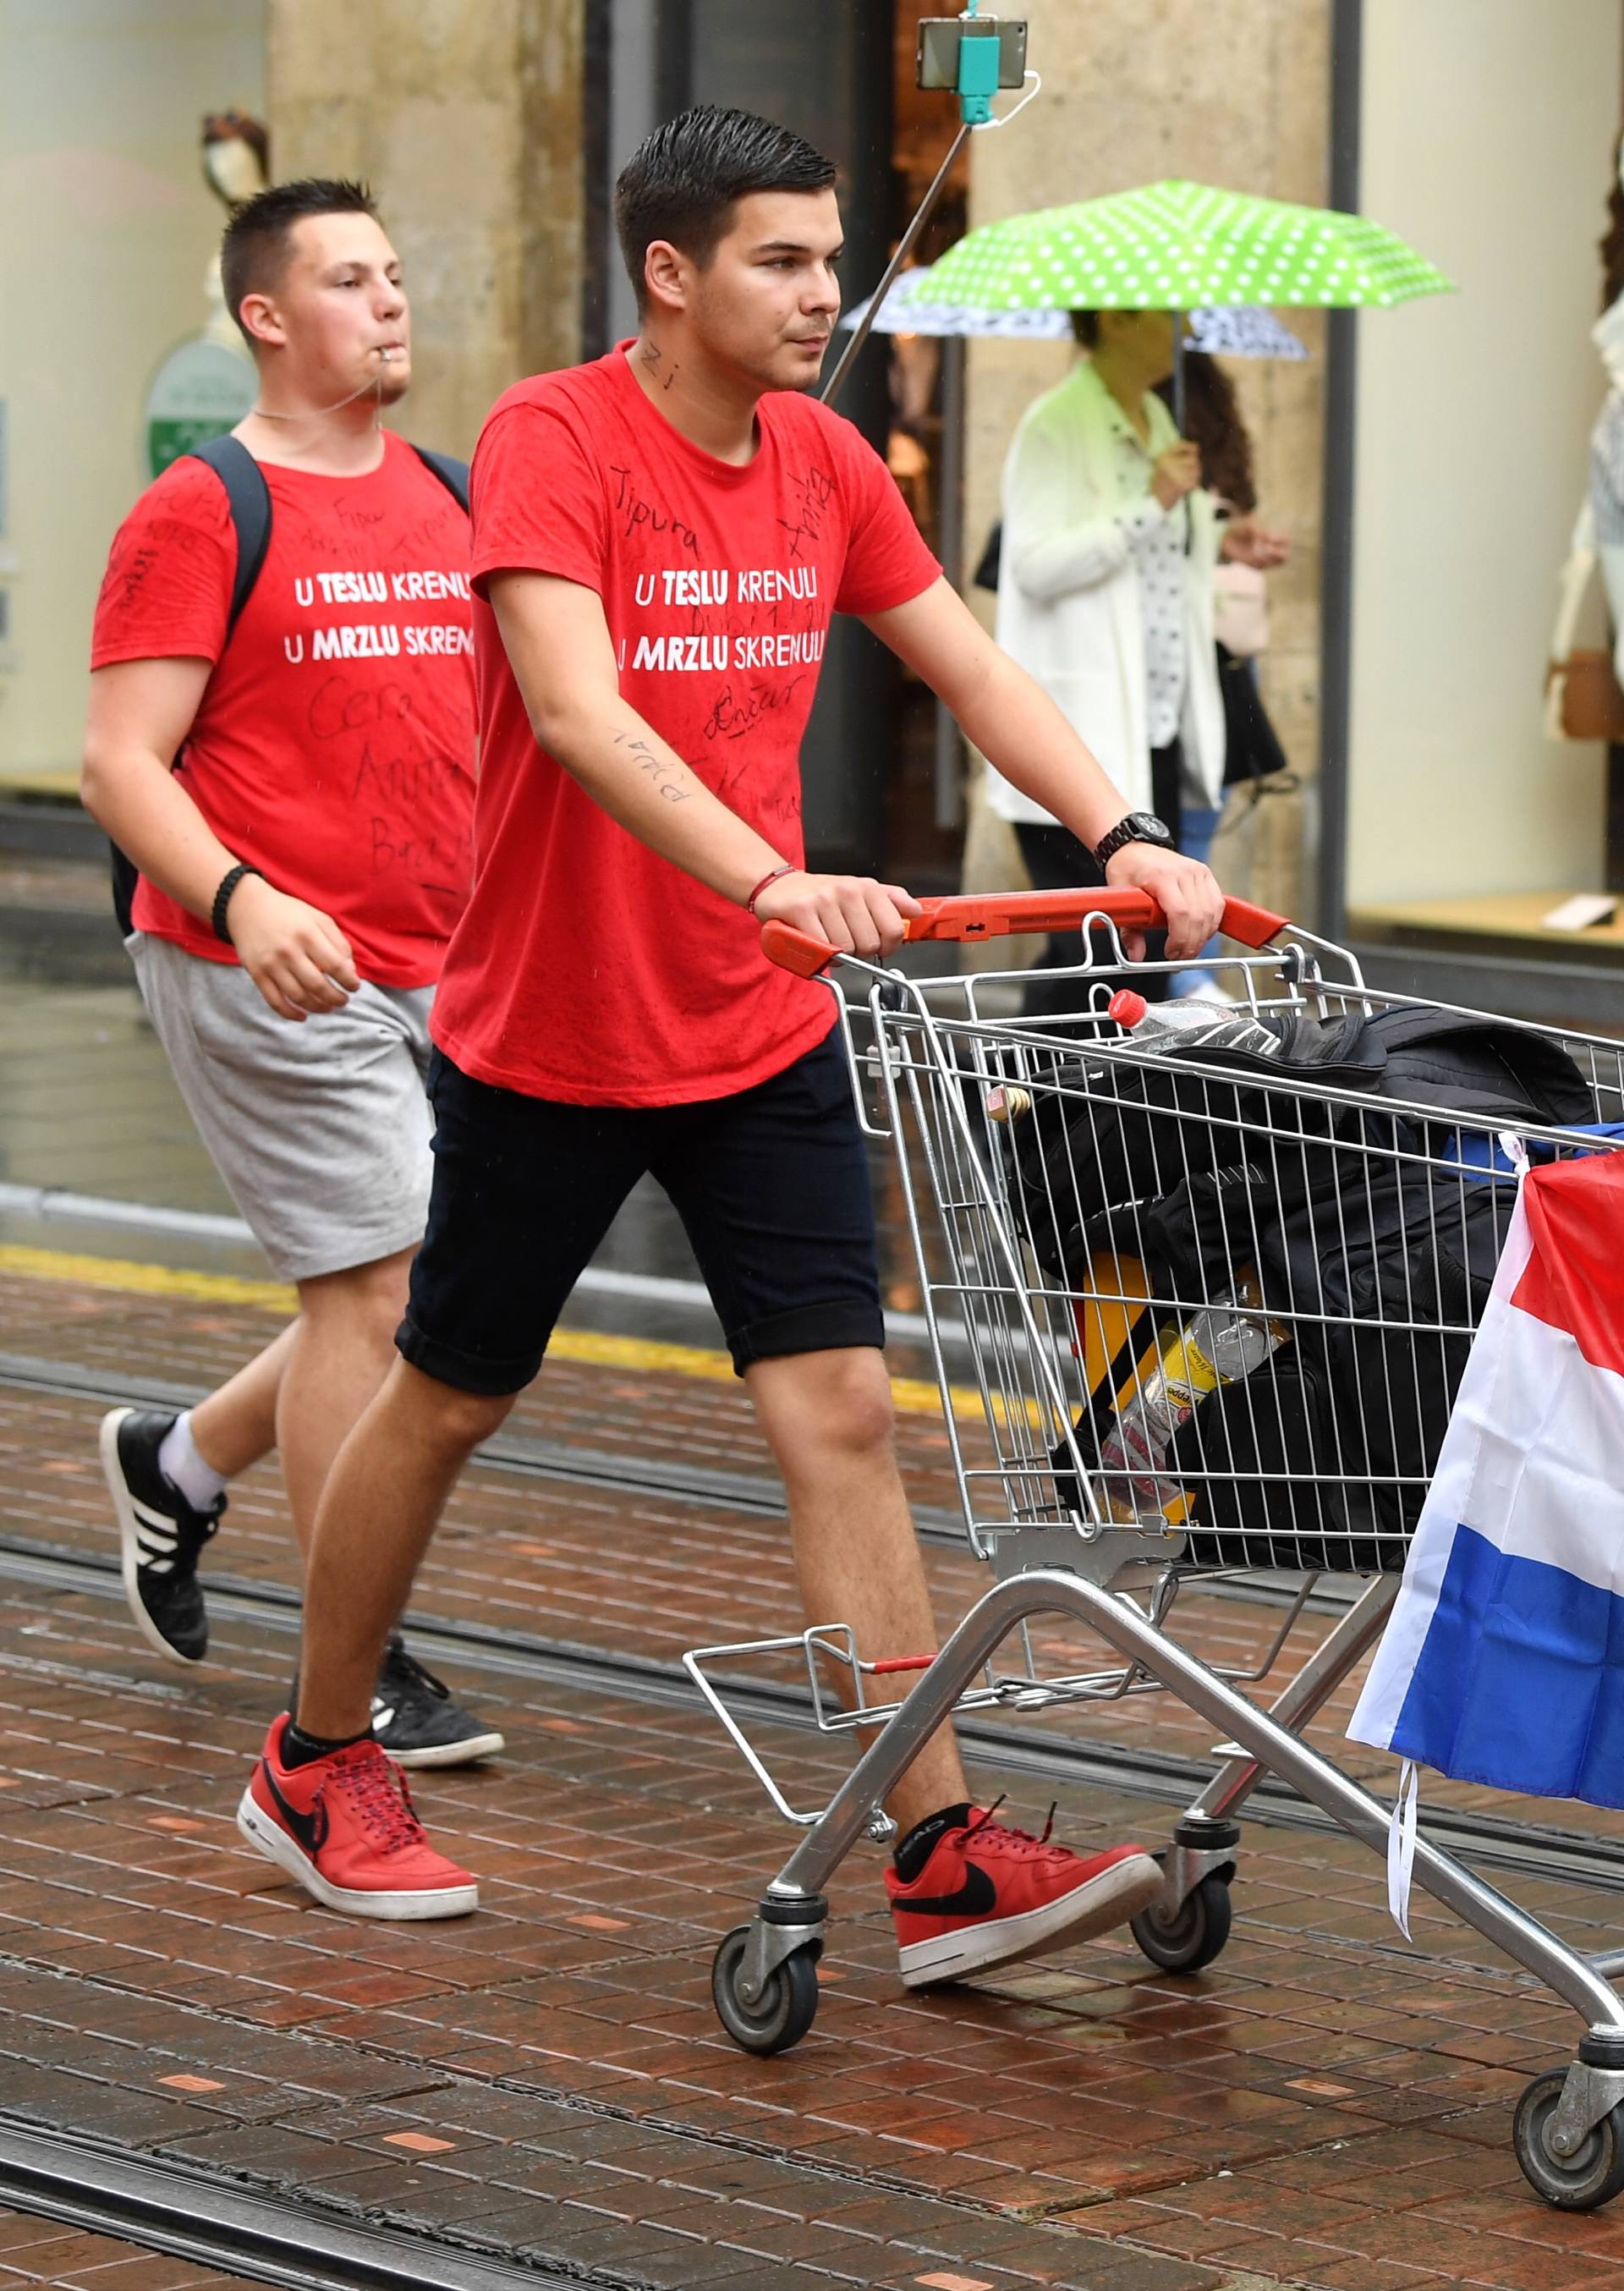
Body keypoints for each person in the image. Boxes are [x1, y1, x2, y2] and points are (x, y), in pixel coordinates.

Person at [239, 107, 1223, 1977]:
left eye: (833, 258)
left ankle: (933, 1846)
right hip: (554, 1030)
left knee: (842, 1411)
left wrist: (1119, 836)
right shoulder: (553, 437)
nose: (823, 293)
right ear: (671, 274)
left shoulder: (827, 458)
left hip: (756, 1032)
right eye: (780, 259)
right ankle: (317, 1756)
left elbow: (975, 665)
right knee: (448, 1396)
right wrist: (778, 875)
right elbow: (579, 712)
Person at [80, 177, 501, 1768]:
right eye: (348, 280)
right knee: (381, 1289)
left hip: (441, 964)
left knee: (405, 1284)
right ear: (266, 315)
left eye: (395, 273)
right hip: (261, 961)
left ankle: (176, 1462)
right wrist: (248, 901)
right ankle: (356, 1656)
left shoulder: (454, 498)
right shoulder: (202, 507)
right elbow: (122, 763)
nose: (390, 302)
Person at [982, 310, 1278, 1014]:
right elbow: (1036, 564)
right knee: (1088, 952)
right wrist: (1153, 502)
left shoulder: (1155, 413)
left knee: (1145, 950)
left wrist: (1217, 535)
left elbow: (1153, 564)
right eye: (1169, 313)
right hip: (1077, 733)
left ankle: (1097, 1118)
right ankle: (1033, 1109)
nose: (1186, 326)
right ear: (1116, 320)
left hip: (1159, 730)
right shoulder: (1055, 423)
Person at [1151, 349, 1290, 997]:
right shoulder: (1216, 430)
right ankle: (1189, 977)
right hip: (1230, 661)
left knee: (1180, 825)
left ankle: (1186, 979)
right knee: (1196, 823)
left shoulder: (1160, 437)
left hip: (1191, 655)